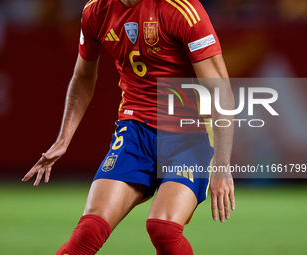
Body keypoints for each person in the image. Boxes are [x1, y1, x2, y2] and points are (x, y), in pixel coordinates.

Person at [22, 0, 236, 254]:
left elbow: (221, 91)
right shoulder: (96, 11)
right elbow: (83, 76)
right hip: (135, 130)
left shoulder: (182, 9)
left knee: (164, 228)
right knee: (88, 231)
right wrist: (64, 138)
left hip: (189, 134)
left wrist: (222, 167)